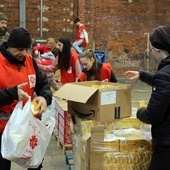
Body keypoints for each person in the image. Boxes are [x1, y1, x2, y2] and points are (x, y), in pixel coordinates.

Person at [0, 27, 52, 170]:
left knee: (35, 164)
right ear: (9, 46)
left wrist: (44, 97)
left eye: (26, 49)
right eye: (19, 49)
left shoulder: (29, 61)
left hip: (29, 126)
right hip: (3, 130)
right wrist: (12, 94)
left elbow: (43, 84)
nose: (23, 53)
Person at [124, 26, 170, 170]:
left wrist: (137, 112)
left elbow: (152, 115)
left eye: (150, 50)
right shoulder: (165, 73)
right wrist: (142, 75)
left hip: (166, 144)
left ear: (157, 49)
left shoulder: (164, 74)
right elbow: (164, 82)